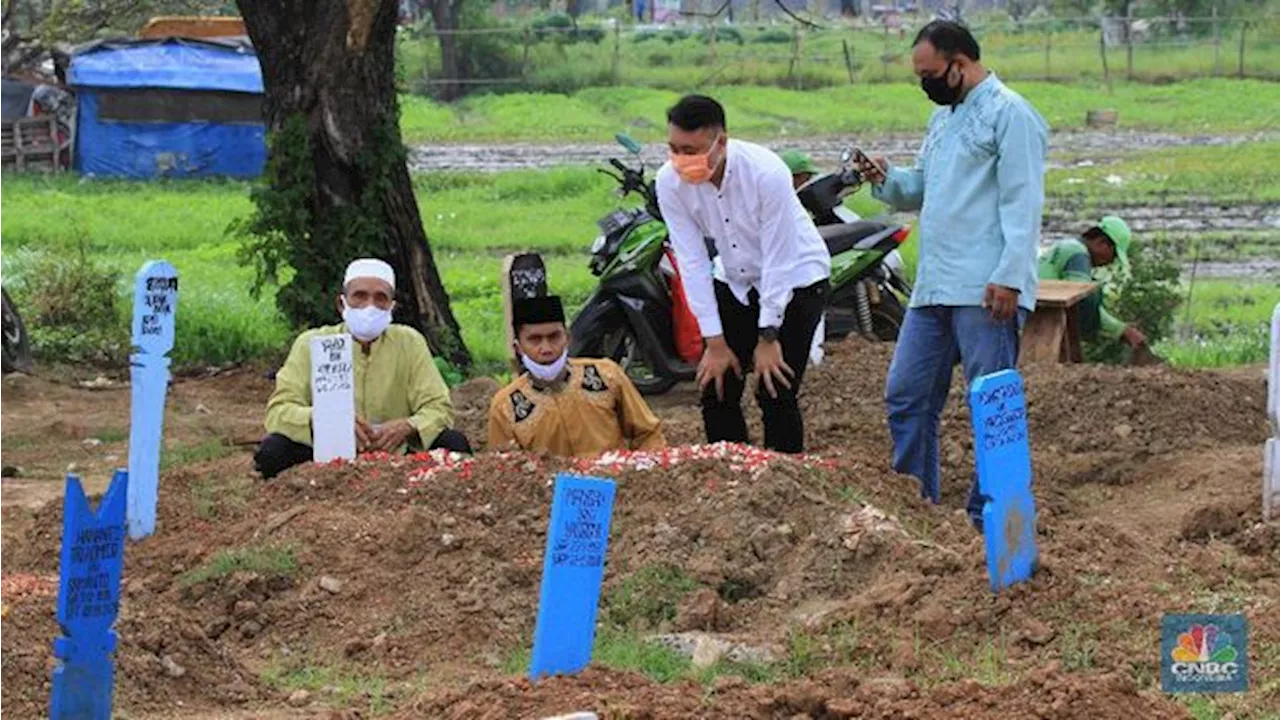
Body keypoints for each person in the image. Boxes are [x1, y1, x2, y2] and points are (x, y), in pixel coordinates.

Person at [853, 21, 1048, 530]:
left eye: (931, 74)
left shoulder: (1011, 114)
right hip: (935, 283)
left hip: (986, 286)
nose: (926, 84)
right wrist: (887, 179)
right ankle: (915, 507)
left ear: (959, 64)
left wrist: (1009, 275)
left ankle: (993, 521)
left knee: (991, 405)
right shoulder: (944, 119)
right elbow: (922, 190)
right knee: (906, 394)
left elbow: (1023, 202)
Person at [657, 94, 831, 454]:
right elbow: (690, 261)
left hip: (797, 277)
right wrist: (714, 342)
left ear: (721, 142)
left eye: (692, 150)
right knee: (715, 385)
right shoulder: (669, 182)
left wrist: (768, 337)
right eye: (675, 149)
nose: (681, 160)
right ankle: (730, 477)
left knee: (775, 387)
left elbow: (779, 258)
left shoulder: (766, 172)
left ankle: (783, 480)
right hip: (734, 277)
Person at [254, 259, 471, 478]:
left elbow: (439, 407)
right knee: (273, 450)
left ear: (391, 307)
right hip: (325, 454)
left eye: (380, 298)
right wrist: (324, 418)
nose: (370, 306)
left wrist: (408, 425)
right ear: (342, 304)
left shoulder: (409, 342)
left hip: (398, 454)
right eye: (359, 296)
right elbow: (279, 411)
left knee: (454, 443)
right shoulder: (311, 343)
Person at [488, 295, 666, 456]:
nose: (546, 349)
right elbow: (504, 468)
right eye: (535, 339)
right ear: (518, 347)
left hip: (613, 483)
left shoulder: (605, 375)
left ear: (567, 337)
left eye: (554, 337)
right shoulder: (506, 406)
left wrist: (640, 474)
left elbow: (648, 433)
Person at [1039, 216, 1147, 350]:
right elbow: (1077, 300)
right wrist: (1122, 330)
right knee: (1091, 295)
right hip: (1041, 310)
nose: (1110, 262)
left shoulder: (1070, 246)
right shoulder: (1078, 255)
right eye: (1113, 255)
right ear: (1101, 243)